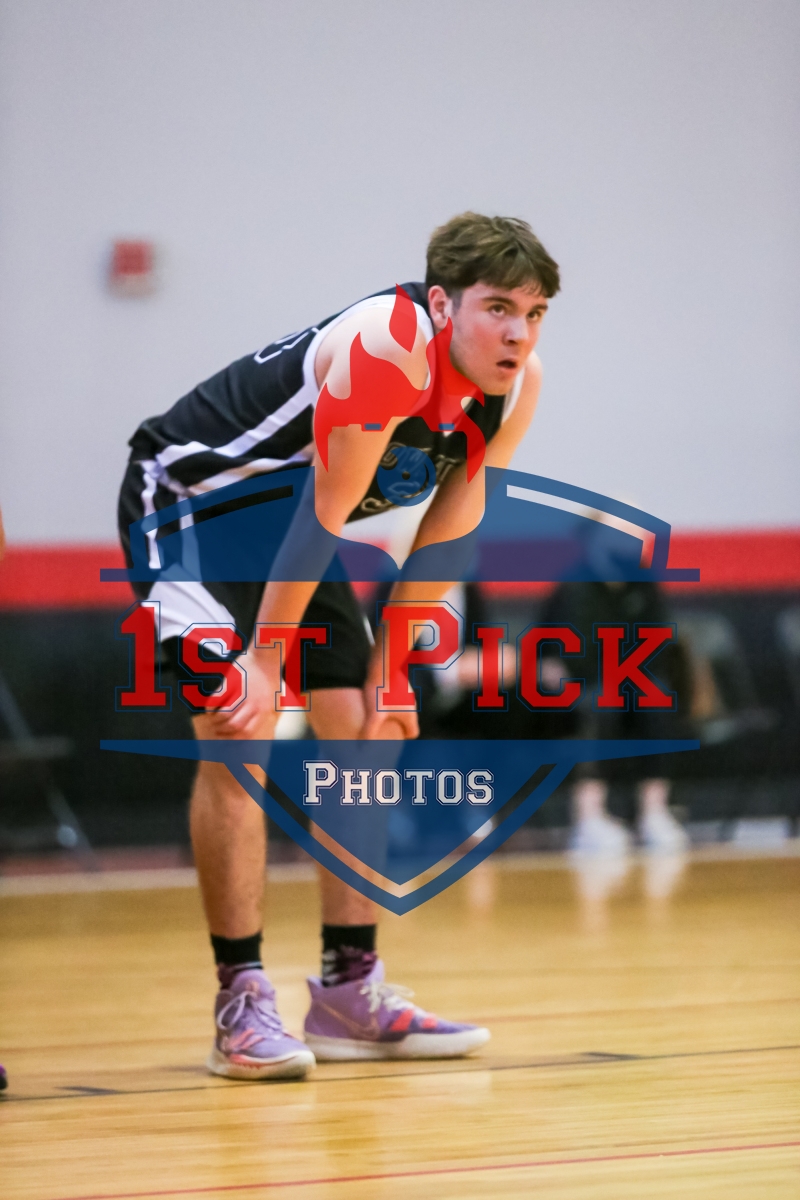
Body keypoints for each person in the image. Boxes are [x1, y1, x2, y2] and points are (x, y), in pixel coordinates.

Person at [117, 212, 560, 1079]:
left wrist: (394, 670)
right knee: (241, 725)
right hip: (191, 502)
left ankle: (349, 992)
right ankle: (242, 1000)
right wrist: (264, 662)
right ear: (444, 304)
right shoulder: (386, 347)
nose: (519, 333)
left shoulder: (516, 385)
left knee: (365, 726)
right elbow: (328, 513)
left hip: (285, 524)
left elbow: (451, 527)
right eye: (499, 308)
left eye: (535, 313)